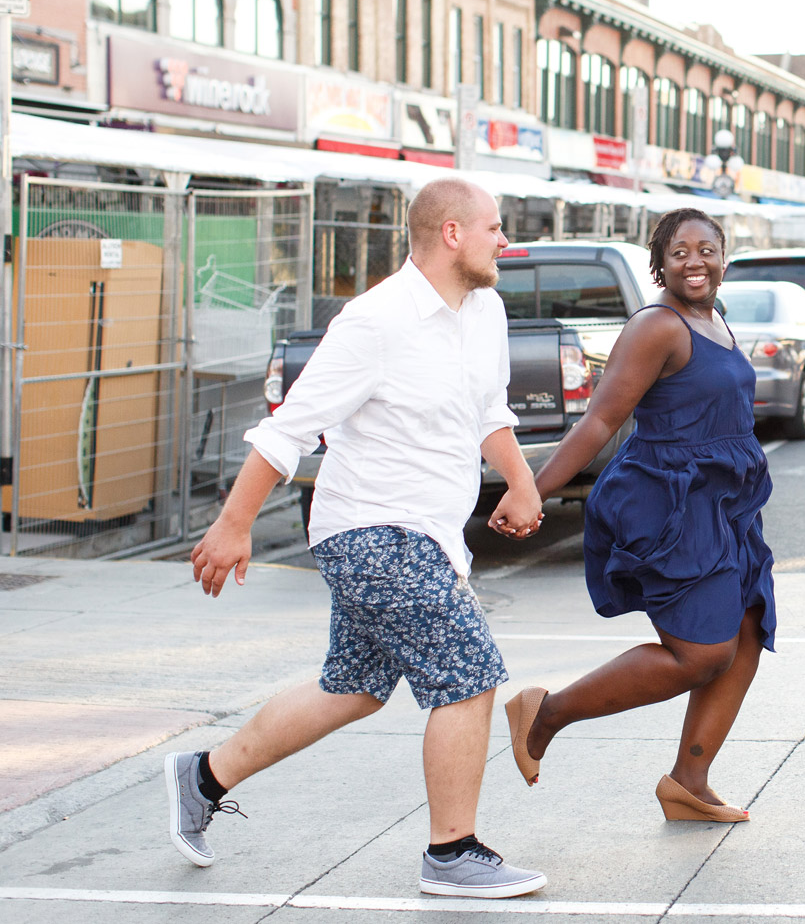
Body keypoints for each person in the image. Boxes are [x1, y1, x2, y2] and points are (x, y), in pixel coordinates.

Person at [173, 178, 548, 899]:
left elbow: (487, 412)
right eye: (495, 228)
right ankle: (451, 851)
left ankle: (202, 776)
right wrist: (234, 522)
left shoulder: (487, 311)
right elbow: (288, 429)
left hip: (429, 535)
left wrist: (522, 480)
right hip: (370, 529)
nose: (505, 241)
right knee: (468, 672)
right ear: (450, 234)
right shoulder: (375, 321)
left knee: (353, 689)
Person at [502, 208, 774, 824]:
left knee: (748, 633)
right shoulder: (657, 325)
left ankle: (689, 782)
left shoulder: (715, 320)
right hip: (670, 501)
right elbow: (598, 420)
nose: (694, 261)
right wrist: (531, 490)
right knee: (702, 653)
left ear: (724, 257)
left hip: (725, 504)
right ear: (660, 263)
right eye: (679, 252)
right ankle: (547, 712)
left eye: (706, 249)